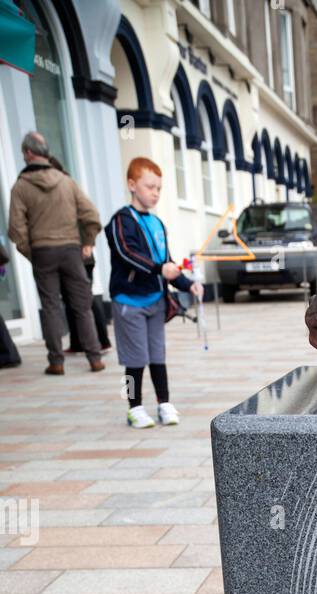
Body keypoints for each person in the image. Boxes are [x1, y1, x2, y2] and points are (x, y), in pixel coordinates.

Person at [105, 156, 202, 428]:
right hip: (129, 302)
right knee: (135, 359)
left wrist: (187, 283)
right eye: (150, 187)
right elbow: (127, 254)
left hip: (156, 301)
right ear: (132, 185)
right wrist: (160, 269)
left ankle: (164, 403)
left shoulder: (158, 224)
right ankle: (134, 407)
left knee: (157, 355)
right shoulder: (120, 221)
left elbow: (167, 261)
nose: (155, 193)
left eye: (159, 188)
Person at [7, 131, 104, 376]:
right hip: (71, 250)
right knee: (82, 306)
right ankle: (95, 358)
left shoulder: (20, 186)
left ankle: (57, 361)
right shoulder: (66, 181)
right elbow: (91, 216)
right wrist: (88, 242)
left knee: (50, 307)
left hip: (42, 251)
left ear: (29, 153)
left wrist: (32, 252)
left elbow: (15, 229)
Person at [45, 155, 111, 354]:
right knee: (70, 299)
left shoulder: (69, 189)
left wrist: (88, 243)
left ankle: (102, 341)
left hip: (81, 253)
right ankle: (77, 343)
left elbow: (90, 217)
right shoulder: (51, 194)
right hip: (64, 254)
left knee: (84, 298)